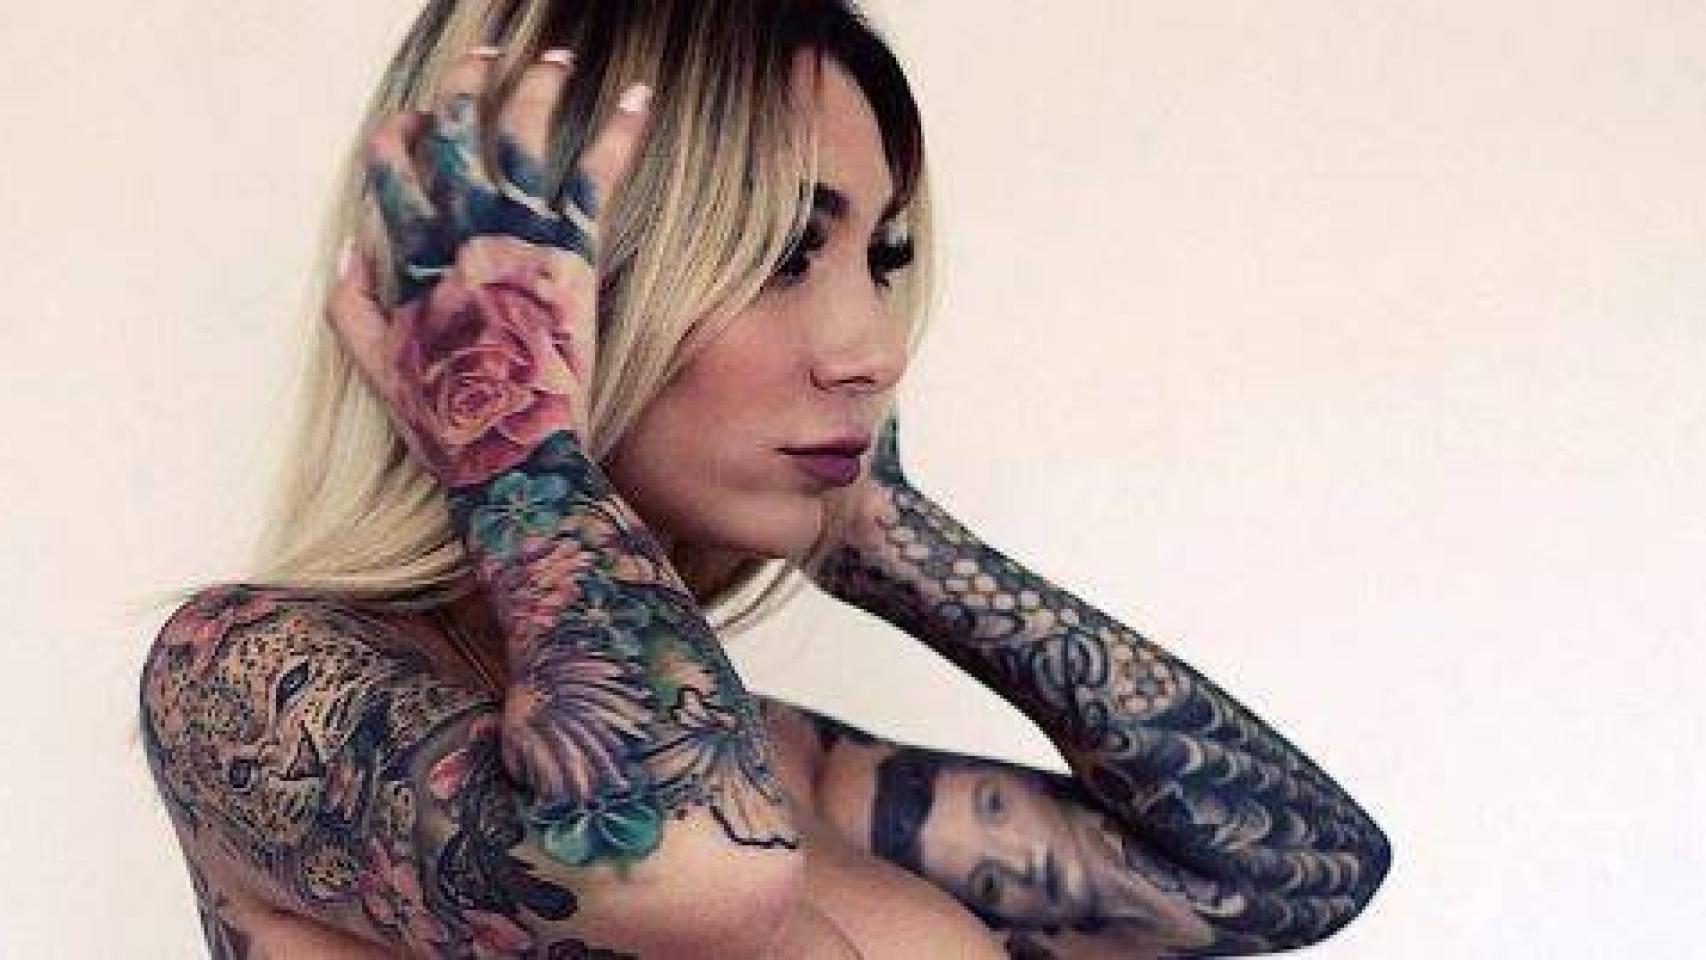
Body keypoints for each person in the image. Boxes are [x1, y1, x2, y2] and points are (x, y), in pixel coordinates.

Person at [138, 1, 1392, 956]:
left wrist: (891, 542)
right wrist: (513, 440)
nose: (873, 347)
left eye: (879, 256)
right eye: (784, 251)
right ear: (527, 276)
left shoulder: (779, 768)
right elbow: (690, 872)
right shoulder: (245, 678)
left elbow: (1287, 871)